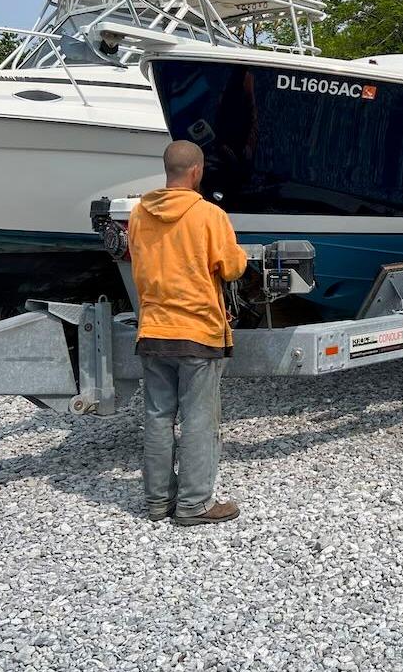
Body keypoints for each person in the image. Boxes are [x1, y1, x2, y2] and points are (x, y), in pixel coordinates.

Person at [128, 140, 248, 525]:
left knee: (158, 417)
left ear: (167, 170)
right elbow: (230, 268)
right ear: (196, 171)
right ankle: (195, 505)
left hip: (153, 330)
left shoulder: (139, 215)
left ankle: (158, 502)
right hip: (197, 331)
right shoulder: (209, 215)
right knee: (198, 420)